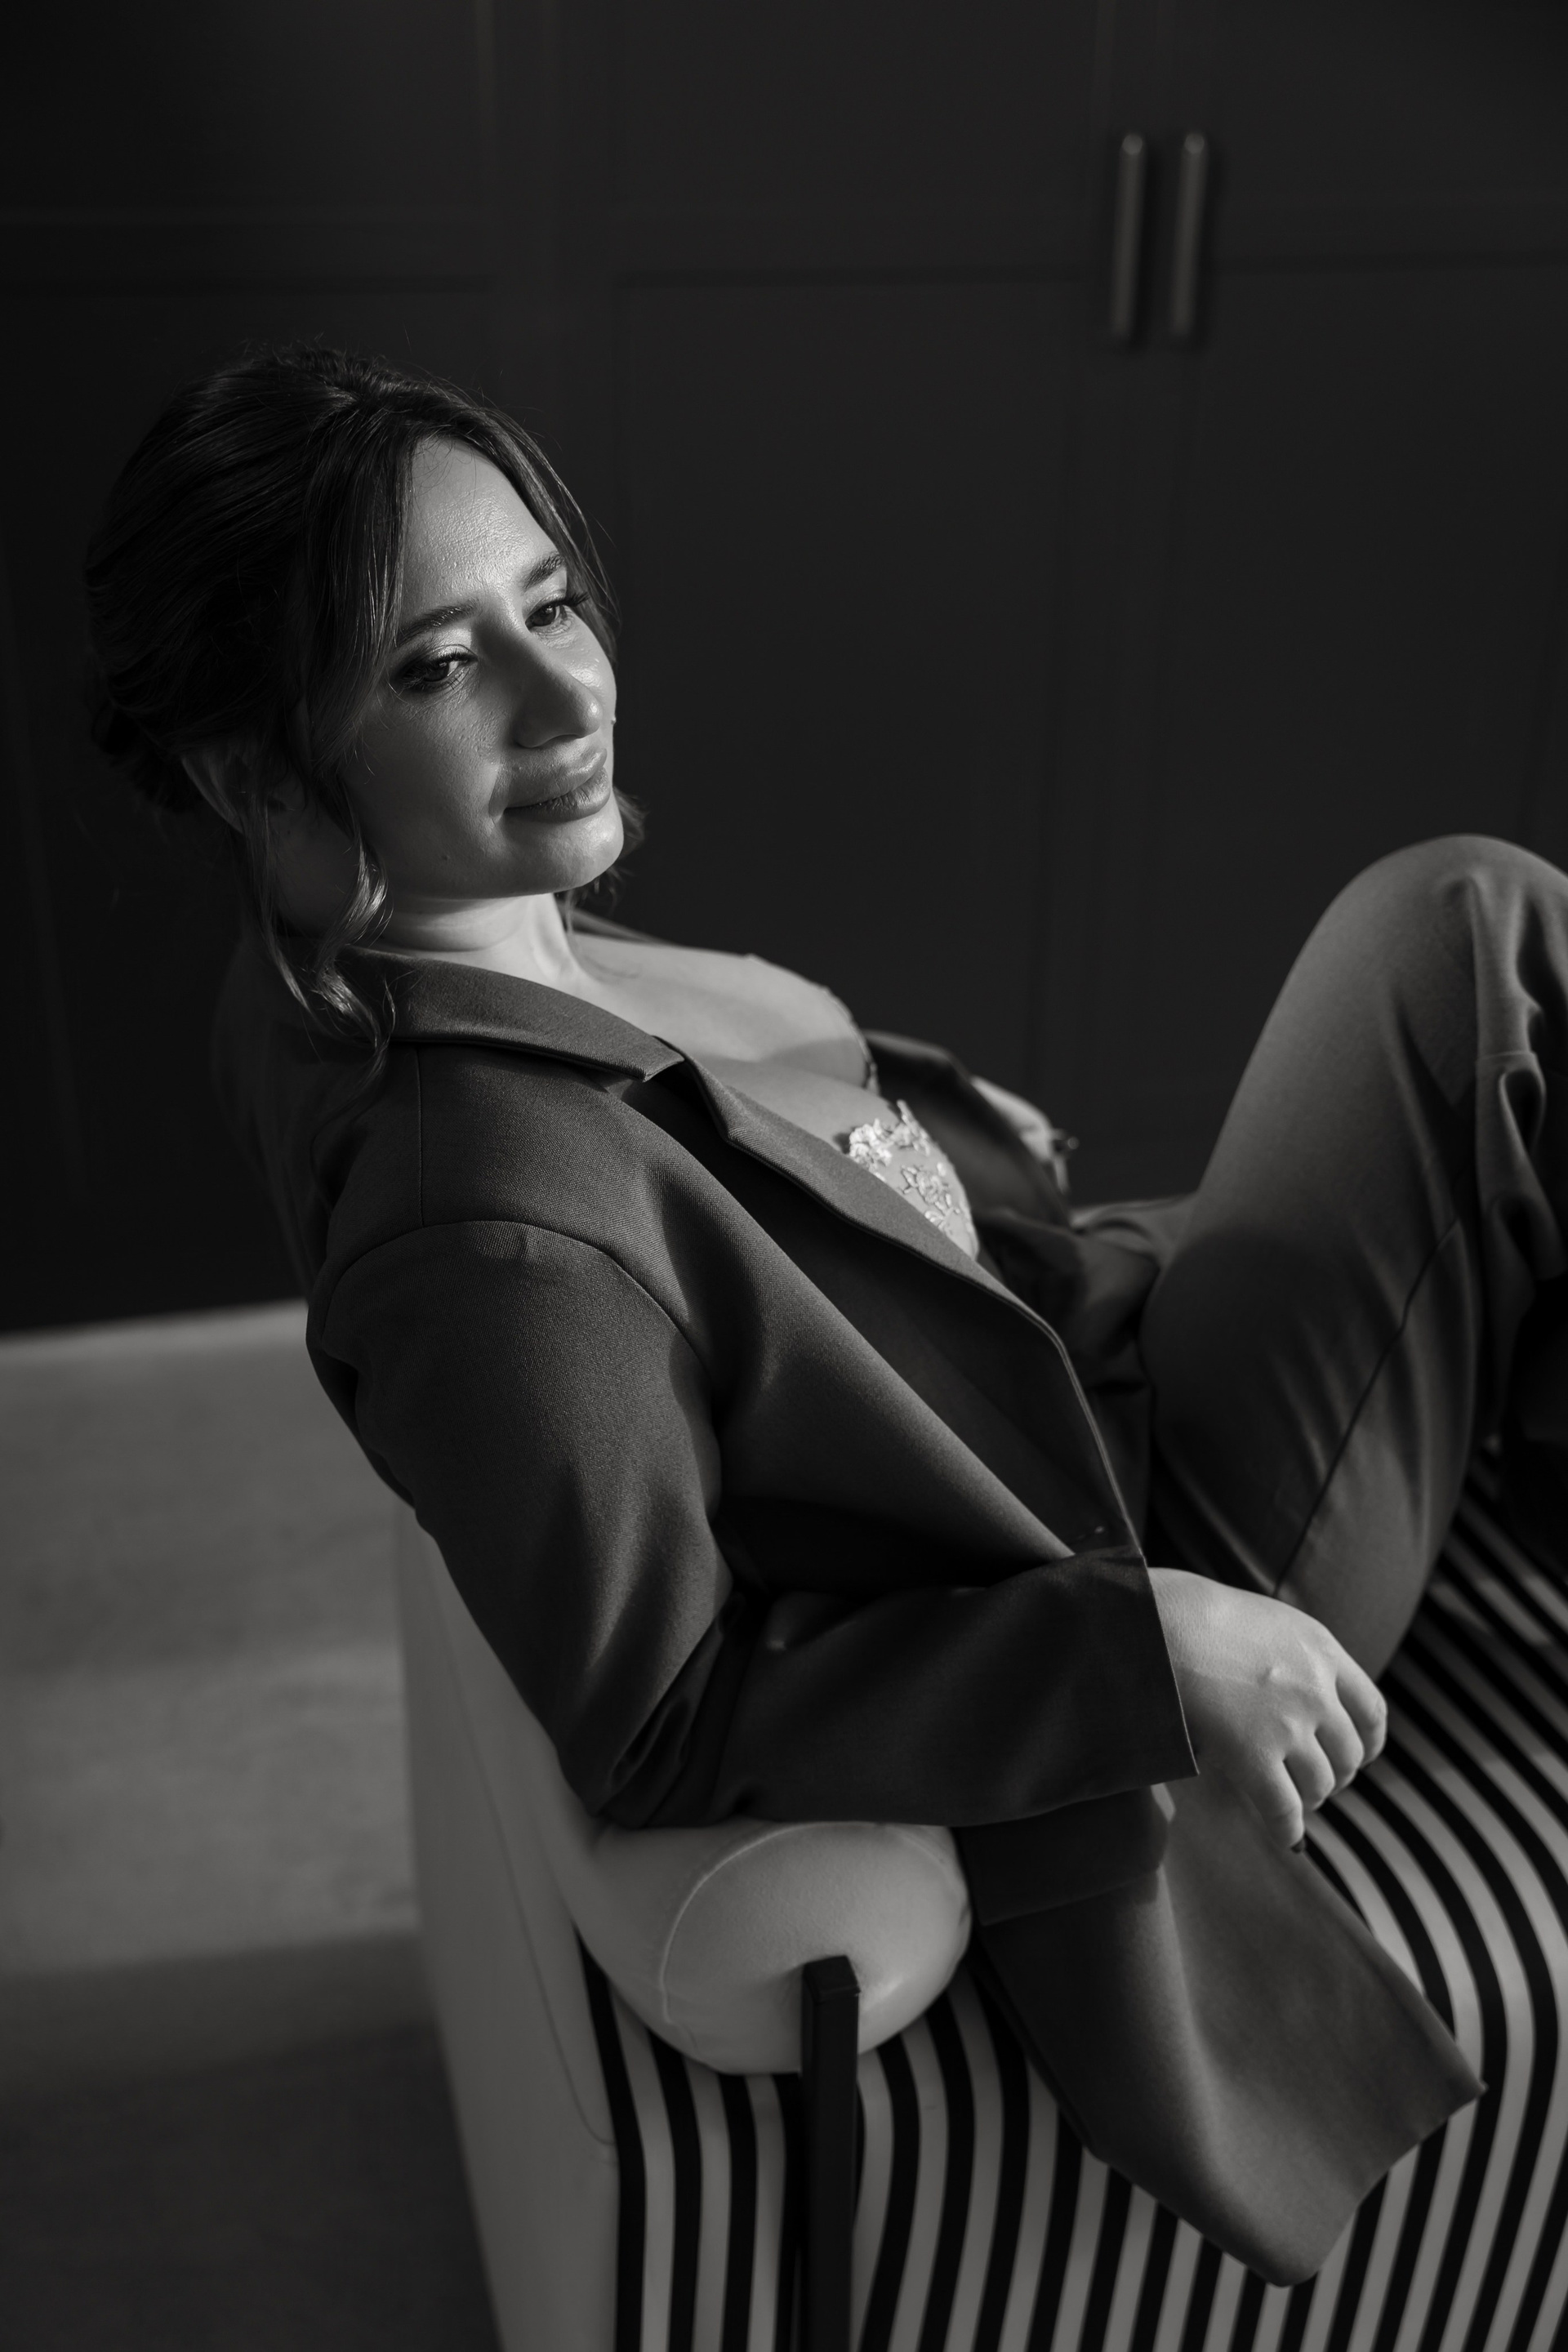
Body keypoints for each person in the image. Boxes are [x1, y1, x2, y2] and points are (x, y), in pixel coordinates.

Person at [86, 343, 1568, 2283]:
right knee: (1467, 936)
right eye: (438, 667)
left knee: (1489, 1024)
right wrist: (1150, 1646)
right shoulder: (482, 1231)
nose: (567, 692)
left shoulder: (384, 940)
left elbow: (723, 1159)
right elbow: (666, 1717)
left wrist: (919, 1144)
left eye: (551, 602)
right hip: (1120, 1533)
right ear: (250, 772)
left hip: (1066, 1351)